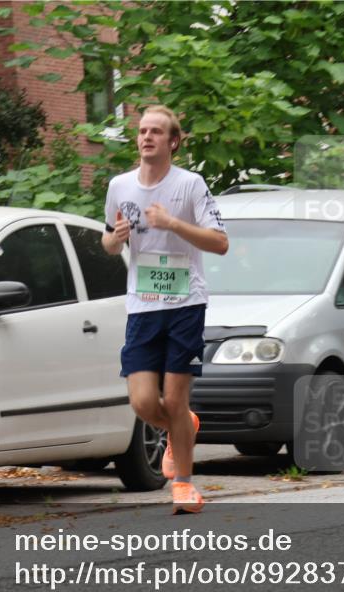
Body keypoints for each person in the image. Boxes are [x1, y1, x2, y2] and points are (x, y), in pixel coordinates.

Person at [102, 105, 228, 513]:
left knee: (175, 400)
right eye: (142, 131)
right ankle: (183, 428)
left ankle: (184, 486)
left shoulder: (190, 185)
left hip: (185, 303)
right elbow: (107, 241)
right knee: (142, 402)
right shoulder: (119, 186)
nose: (146, 137)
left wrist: (174, 224)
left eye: (156, 131)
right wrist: (116, 238)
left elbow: (219, 241)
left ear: (173, 141)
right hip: (142, 306)